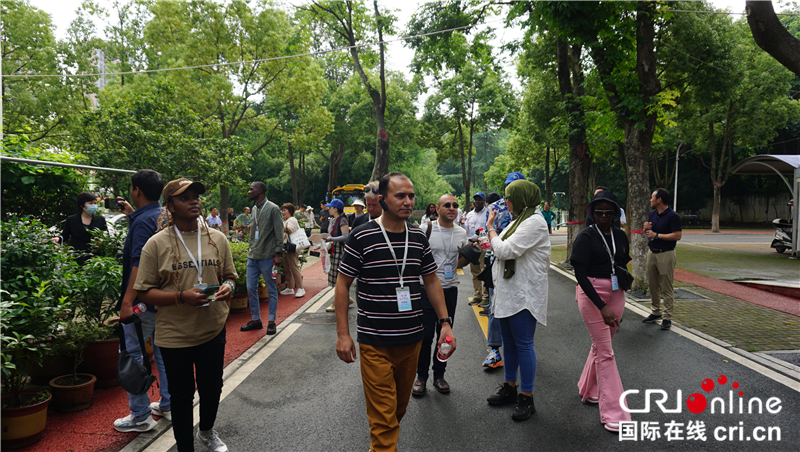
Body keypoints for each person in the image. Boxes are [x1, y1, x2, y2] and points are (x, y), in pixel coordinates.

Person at [335, 172, 457, 452]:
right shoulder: (362, 235)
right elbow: (342, 284)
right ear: (383, 200)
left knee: (396, 412)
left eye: (411, 196)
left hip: (411, 340)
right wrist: (343, 334)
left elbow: (431, 280)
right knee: (384, 422)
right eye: (400, 196)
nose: (408, 201)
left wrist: (445, 323)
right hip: (375, 341)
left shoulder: (417, 237)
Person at [134, 178, 237, 452]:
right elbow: (144, 292)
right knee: (181, 397)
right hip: (174, 336)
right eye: (185, 198)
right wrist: (181, 296)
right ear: (170, 206)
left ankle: (206, 431)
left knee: (212, 388)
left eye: (196, 196)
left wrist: (229, 286)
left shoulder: (217, 239)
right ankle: (184, 447)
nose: (194, 201)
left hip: (212, 329)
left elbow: (230, 277)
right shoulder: (156, 245)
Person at [485, 180, 550, 422]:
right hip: (507, 292)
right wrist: (490, 241)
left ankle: (527, 397)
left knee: (523, 344)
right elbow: (500, 246)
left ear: (521, 197)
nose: (506, 202)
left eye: (509, 197)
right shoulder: (518, 220)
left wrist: (490, 229)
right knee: (509, 344)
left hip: (523, 294)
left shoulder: (534, 222)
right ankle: (510, 387)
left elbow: (505, 250)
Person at [112, 170, 171, 433]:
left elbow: (138, 263)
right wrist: (130, 213)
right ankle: (168, 404)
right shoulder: (165, 215)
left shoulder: (141, 223)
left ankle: (140, 415)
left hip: (142, 302)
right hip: (165, 298)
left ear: (136, 190)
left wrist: (127, 302)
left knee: (132, 353)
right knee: (163, 352)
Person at [569, 190, 632, 433]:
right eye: (599, 212)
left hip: (616, 293)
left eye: (608, 212)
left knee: (601, 345)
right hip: (591, 293)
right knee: (606, 352)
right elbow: (580, 276)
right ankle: (615, 412)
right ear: (592, 214)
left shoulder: (620, 235)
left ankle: (588, 389)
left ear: (616, 213)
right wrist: (602, 306)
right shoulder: (585, 237)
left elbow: (622, 261)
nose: (604, 216)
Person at [412, 194, 468, 397]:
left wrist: (472, 255)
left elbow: (460, 263)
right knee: (425, 336)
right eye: (447, 205)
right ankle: (421, 378)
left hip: (450, 289)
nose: (451, 208)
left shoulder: (462, 232)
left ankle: (439, 376)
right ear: (437, 208)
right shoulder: (425, 230)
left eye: (455, 205)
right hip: (425, 290)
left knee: (444, 337)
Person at [482, 172, 526, 369]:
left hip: (522, 264)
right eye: (510, 185)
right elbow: (488, 234)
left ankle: (522, 347)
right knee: (495, 306)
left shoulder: (531, 211)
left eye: (517, 185)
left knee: (523, 305)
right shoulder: (494, 207)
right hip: (497, 262)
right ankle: (494, 350)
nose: (513, 189)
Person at [241, 182, 283, 334]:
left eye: (251, 189)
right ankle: (256, 320)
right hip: (253, 256)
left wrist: (278, 253)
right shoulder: (253, 209)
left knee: (271, 290)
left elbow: (279, 232)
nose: (249, 191)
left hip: (268, 256)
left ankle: (271, 321)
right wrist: (250, 248)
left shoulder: (273, 208)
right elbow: (254, 232)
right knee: (251, 288)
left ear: (259, 191)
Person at [642, 188, 682, 330]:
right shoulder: (652, 214)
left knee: (666, 286)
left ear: (659, 200)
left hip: (666, 253)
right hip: (652, 252)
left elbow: (677, 235)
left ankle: (667, 317)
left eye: (652, 197)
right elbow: (649, 232)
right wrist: (645, 228)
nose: (650, 200)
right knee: (653, 285)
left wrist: (657, 235)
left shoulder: (672, 216)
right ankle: (655, 311)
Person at [62, 192, 108, 264]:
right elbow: (64, 236)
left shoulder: (100, 220)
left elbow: (106, 236)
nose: (93, 205)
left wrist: (100, 241)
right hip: (77, 258)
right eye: (90, 203)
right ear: (81, 205)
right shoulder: (71, 220)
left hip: (96, 259)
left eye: (95, 203)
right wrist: (57, 239)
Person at [323, 199, 350, 312]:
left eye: (330, 207)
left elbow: (345, 236)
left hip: (340, 252)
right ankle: (347, 298)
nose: (328, 209)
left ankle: (336, 302)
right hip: (335, 252)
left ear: (335, 209)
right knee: (337, 278)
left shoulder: (342, 220)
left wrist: (331, 239)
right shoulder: (335, 220)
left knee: (338, 279)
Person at [465, 192, 489, 306]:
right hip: (471, 243)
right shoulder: (469, 214)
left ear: (484, 201)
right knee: (474, 271)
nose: (477, 201)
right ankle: (477, 295)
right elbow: (466, 229)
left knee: (483, 270)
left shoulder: (487, 213)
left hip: (482, 243)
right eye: (475, 199)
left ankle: (486, 296)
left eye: (479, 199)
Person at [280, 203, 306, 298]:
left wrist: (278, 225)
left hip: (292, 247)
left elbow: (289, 230)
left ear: (290, 211)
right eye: (282, 210)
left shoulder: (292, 219)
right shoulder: (286, 220)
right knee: (287, 267)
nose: (283, 212)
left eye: (285, 210)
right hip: (287, 246)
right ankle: (290, 287)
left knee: (294, 267)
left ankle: (300, 288)